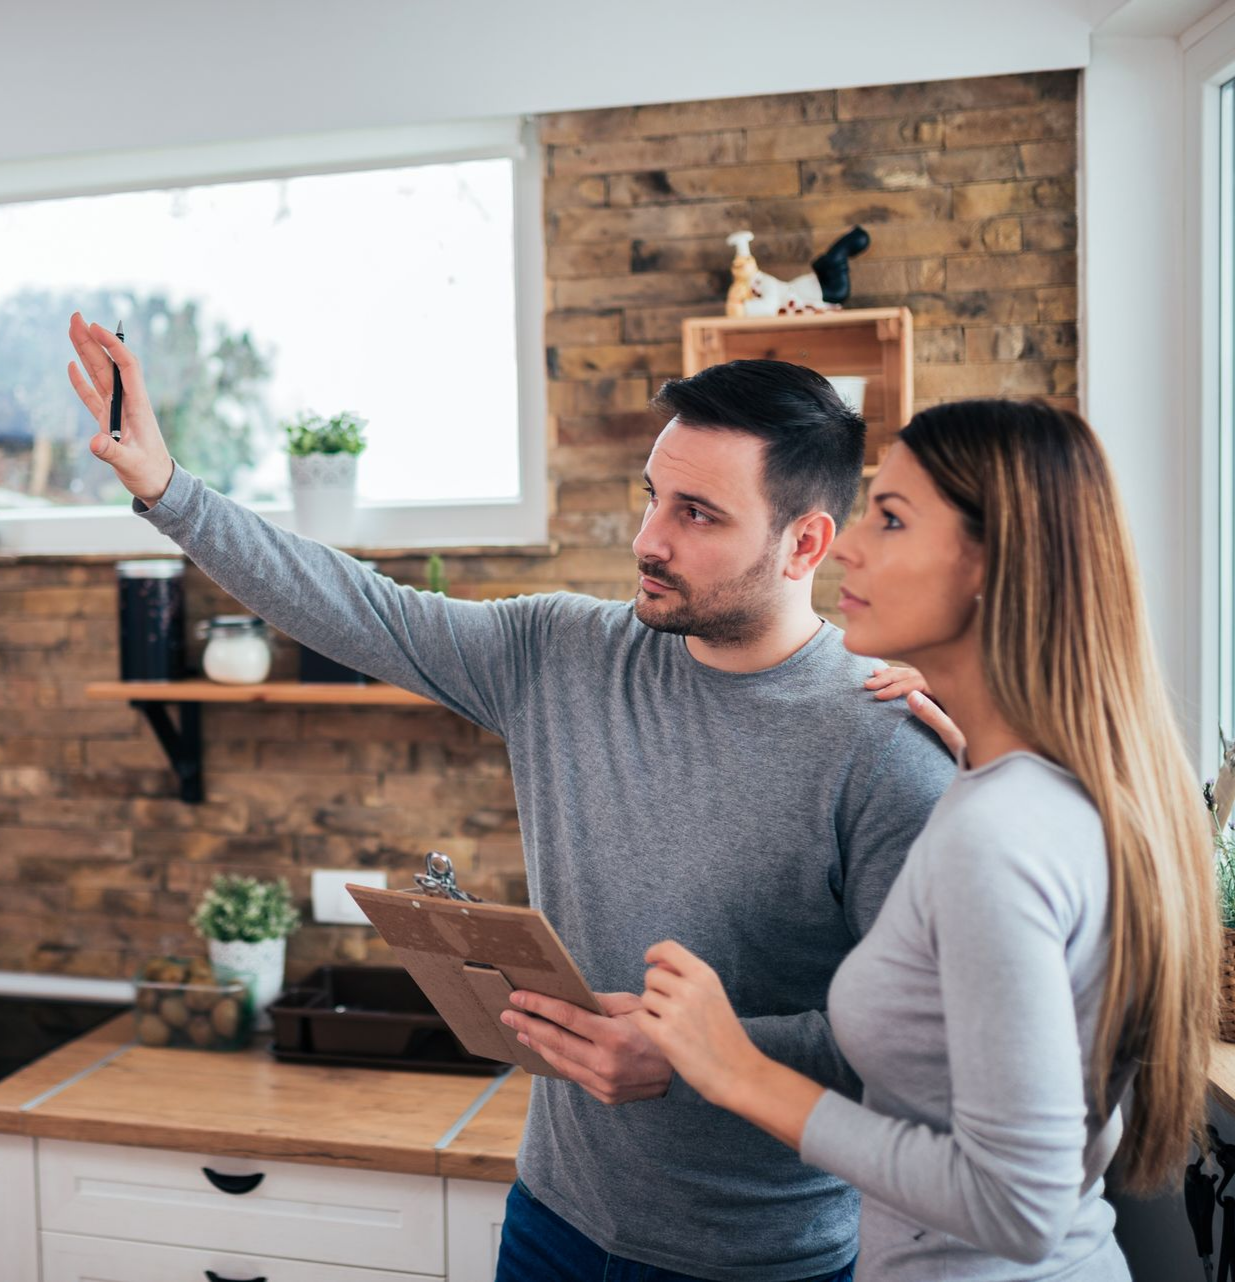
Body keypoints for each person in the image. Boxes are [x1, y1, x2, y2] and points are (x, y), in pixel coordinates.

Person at [67, 314, 956, 1282]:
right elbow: (357, 606)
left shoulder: (885, 745)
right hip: (553, 1220)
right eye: (652, 497)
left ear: (805, 543)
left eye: (698, 514)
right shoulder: (560, 651)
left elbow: (922, 1041)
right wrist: (166, 486)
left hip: (759, 1258)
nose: (646, 539)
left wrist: (699, 1051)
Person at [639, 399, 1220, 1281]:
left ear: (996, 566)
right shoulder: (1043, 790)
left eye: (893, 518)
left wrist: (735, 1070)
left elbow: (1017, 1207)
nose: (847, 546)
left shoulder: (999, 835)